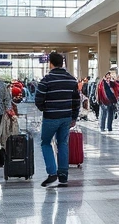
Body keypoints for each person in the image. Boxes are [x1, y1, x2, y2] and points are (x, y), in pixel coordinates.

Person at [35, 52, 80, 188]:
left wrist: (45, 108)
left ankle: (52, 172)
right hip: (66, 117)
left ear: (50, 63)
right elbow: (76, 101)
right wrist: (74, 117)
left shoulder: (46, 80)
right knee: (62, 144)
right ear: (63, 63)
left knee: (45, 143)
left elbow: (38, 99)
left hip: (51, 117)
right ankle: (63, 175)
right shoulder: (71, 80)